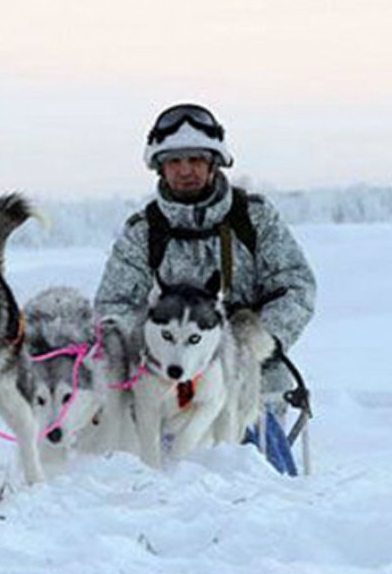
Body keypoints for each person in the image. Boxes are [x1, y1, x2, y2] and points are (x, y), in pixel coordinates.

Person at [94, 103, 316, 455]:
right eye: (175, 161)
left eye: (196, 160)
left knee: (260, 491)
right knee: (159, 492)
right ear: (160, 167)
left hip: (251, 384)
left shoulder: (253, 218)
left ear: (214, 163)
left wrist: (259, 343)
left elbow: (296, 287)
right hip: (162, 389)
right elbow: (111, 307)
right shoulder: (143, 233)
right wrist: (160, 346)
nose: (185, 171)